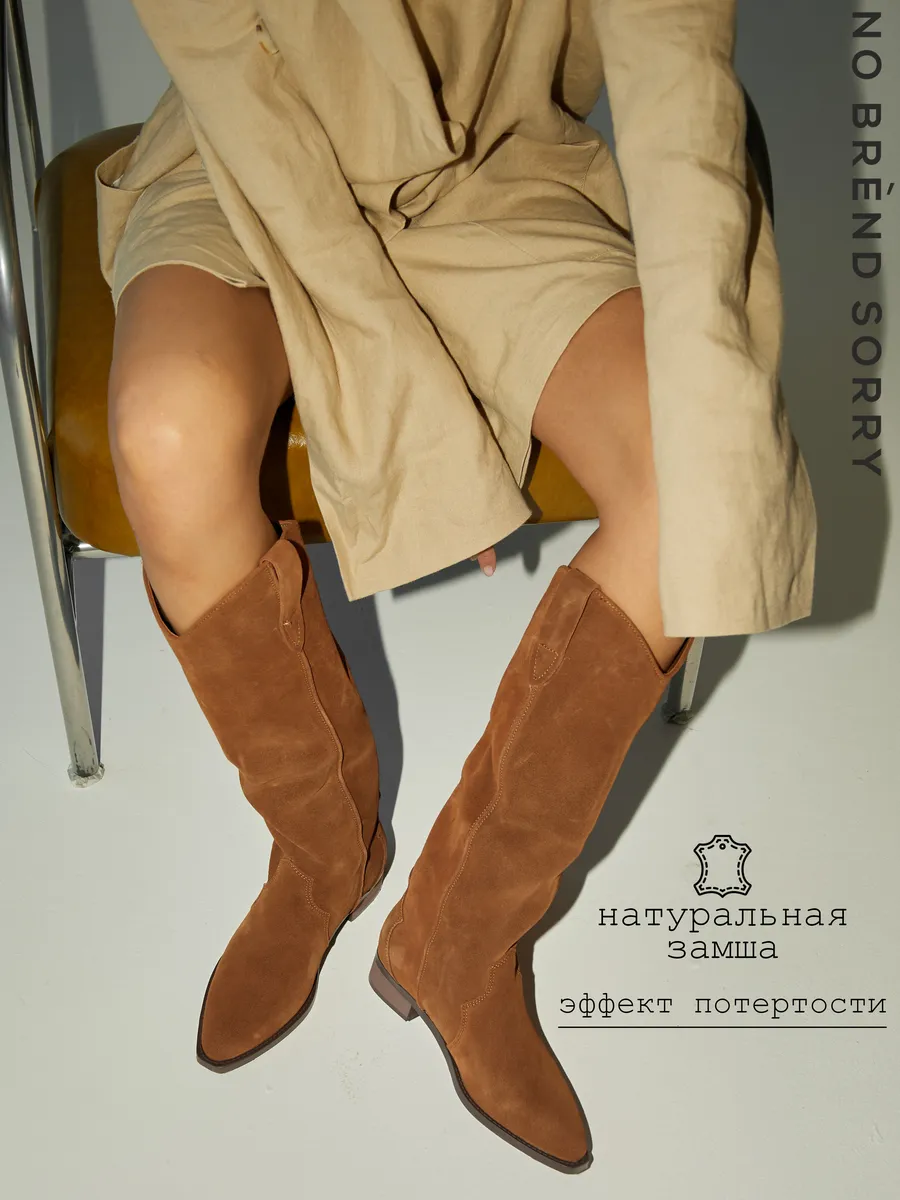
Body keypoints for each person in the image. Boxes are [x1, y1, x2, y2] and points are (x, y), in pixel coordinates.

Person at [99, 0, 815, 1175]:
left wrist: (720, 375)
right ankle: (324, 853)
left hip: (500, 166)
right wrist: (419, 417)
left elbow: (681, 86)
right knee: (167, 432)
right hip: (252, 150)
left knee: (695, 471)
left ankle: (462, 934)